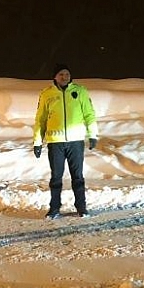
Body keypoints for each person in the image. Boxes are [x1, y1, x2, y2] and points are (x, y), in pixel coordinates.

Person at [33, 64, 98, 219]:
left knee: (78, 176)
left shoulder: (80, 91)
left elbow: (89, 114)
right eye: (61, 74)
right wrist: (37, 142)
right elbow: (40, 119)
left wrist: (93, 135)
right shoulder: (47, 94)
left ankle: (81, 207)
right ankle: (54, 208)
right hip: (55, 142)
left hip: (75, 142)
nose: (64, 77)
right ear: (55, 77)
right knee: (56, 177)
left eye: (67, 74)